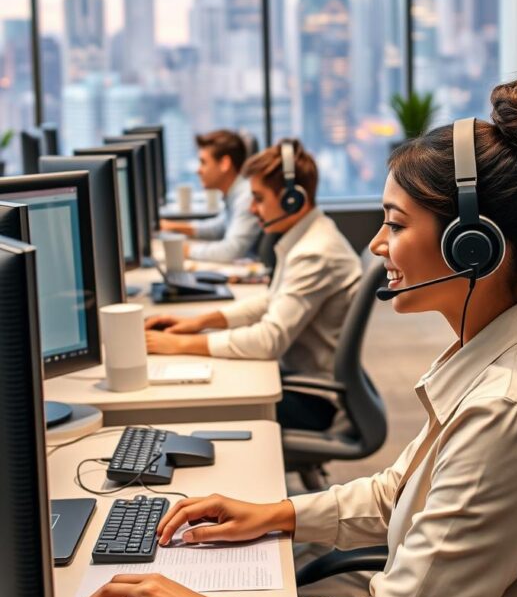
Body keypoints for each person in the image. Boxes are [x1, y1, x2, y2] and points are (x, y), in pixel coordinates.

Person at [63, 70, 517, 597]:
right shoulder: (491, 360)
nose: (376, 244)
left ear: (472, 247)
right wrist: (274, 514)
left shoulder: (511, 410)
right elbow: (397, 494)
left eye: (394, 224)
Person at [146, 141, 362, 427]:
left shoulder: (315, 253)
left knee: (195, 399)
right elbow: (272, 300)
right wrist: (199, 322)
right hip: (294, 377)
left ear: (292, 200)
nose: (252, 208)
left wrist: (180, 344)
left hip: (313, 398)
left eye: (258, 198)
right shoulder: (305, 237)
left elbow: (268, 340)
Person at [161, 129, 260, 262]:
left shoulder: (246, 197)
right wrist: (174, 226)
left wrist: (186, 250)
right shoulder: (235, 193)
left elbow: (231, 251)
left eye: (203, 162)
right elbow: (220, 227)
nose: (198, 170)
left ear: (224, 164)